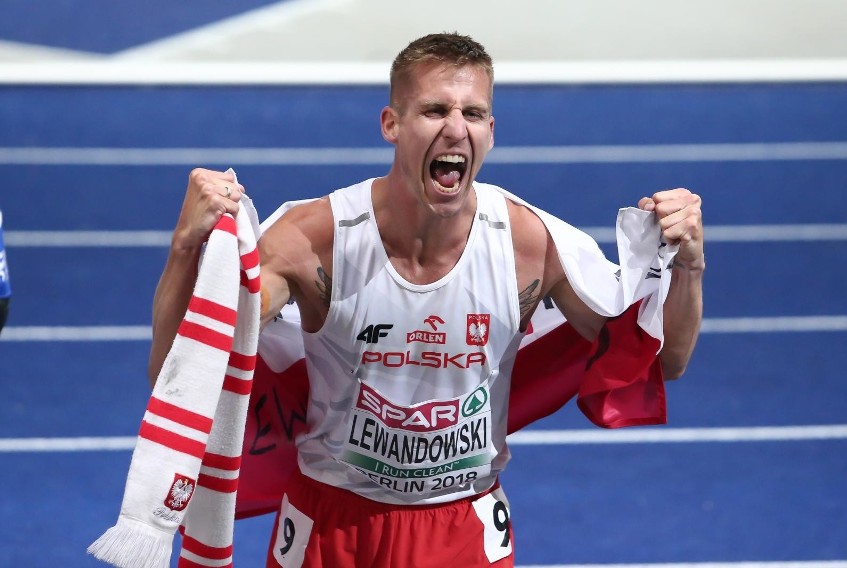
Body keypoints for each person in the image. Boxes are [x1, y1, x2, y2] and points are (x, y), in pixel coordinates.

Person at [148, 32, 704, 568]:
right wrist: (183, 248)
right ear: (391, 124)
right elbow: (181, 371)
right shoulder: (313, 241)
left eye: (474, 114)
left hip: (460, 526)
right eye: (435, 110)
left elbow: (662, 363)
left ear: (492, 131)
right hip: (330, 522)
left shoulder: (531, 247)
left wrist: (690, 266)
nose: (457, 129)